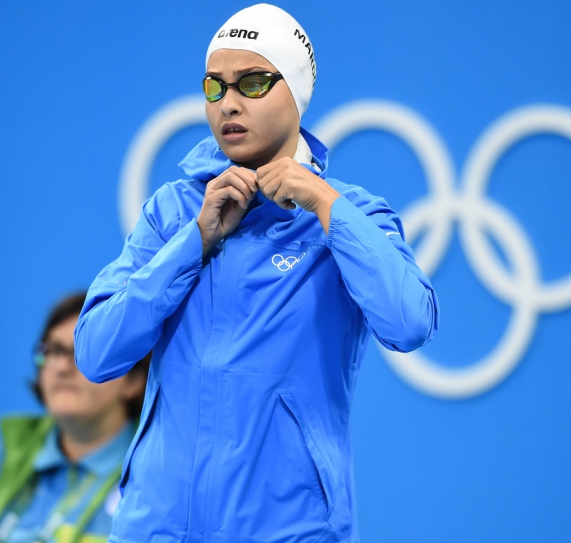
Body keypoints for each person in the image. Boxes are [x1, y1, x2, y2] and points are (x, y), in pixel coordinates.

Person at [75, 4, 439, 542]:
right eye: (216, 87)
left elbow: (409, 321)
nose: (230, 103)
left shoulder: (349, 215)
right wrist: (193, 243)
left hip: (289, 530)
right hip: (157, 529)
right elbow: (96, 353)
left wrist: (323, 200)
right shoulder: (173, 212)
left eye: (252, 82)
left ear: (295, 92)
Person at [0, 293, 149, 543]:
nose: (62, 367)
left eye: (83, 352)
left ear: (134, 380)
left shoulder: (152, 470)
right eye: (53, 350)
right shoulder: (10, 454)